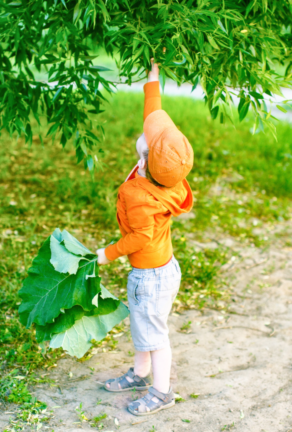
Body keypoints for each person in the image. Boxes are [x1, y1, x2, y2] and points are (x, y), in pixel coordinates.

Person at [95, 59, 194, 416]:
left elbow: (140, 236)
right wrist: (152, 80)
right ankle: (140, 373)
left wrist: (108, 254)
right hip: (160, 269)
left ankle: (162, 391)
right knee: (143, 325)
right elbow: (154, 114)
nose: (149, 128)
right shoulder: (168, 172)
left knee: (155, 336)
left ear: (145, 154)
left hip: (150, 277)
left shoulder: (142, 197)